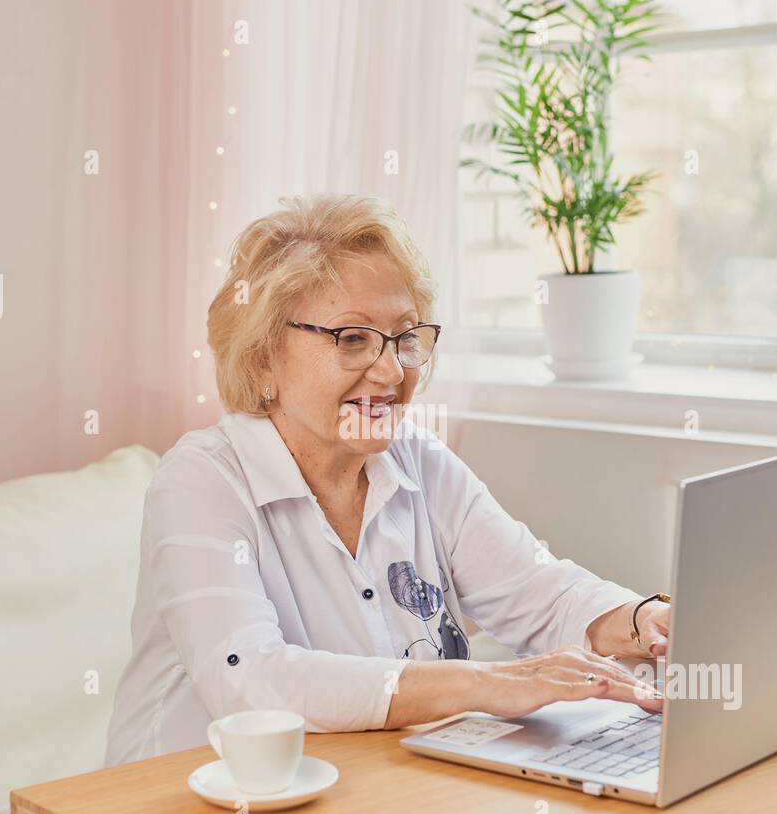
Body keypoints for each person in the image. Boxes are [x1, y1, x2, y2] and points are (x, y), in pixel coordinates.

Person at [104, 193, 670, 766]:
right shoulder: (201, 481)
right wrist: (483, 683)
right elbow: (250, 680)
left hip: (365, 794)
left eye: (404, 337)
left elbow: (541, 592)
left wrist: (641, 620)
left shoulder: (417, 459)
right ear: (261, 358)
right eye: (352, 338)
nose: (392, 370)